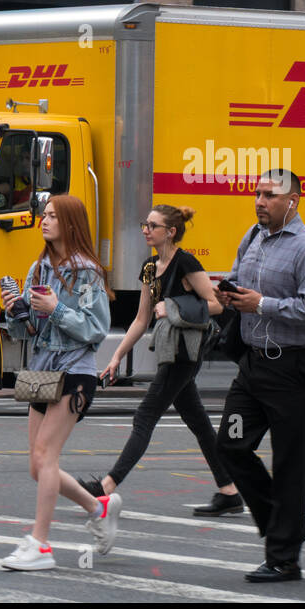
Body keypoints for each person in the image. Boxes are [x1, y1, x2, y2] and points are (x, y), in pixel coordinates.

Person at [78, 205, 242, 516]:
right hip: (169, 351)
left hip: (185, 353)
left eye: (152, 225)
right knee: (199, 423)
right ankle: (229, 491)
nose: (145, 229)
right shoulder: (151, 268)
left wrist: (174, 308)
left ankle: (106, 487)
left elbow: (216, 305)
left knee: (145, 415)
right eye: (145, 223)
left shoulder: (186, 263)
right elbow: (141, 320)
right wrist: (116, 357)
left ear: (170, 232)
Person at [215, 170, 305, 583]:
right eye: (257, 193)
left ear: (293, 201)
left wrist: (261, 304)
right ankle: (288, 525)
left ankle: (284, 557)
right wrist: (228, 297)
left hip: (296, 368)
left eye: (270, 195)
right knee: (229, 445)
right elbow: (240, 282)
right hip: (254, 364)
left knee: (288, 464)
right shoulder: (252, 238)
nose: (260, 201)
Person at [0, 194, 118, 570]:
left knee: (46, 456)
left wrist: (57, 308)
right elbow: (33, 329)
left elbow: (96, 329)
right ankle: (97, 506)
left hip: (76, 371)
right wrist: (16, 312)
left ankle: (40, 544)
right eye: (44, 215)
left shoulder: (86, 271)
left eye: (52, 216)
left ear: (69, 224)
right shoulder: (39, 268)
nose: (44, 221)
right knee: (37, 465)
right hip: (41, 368)